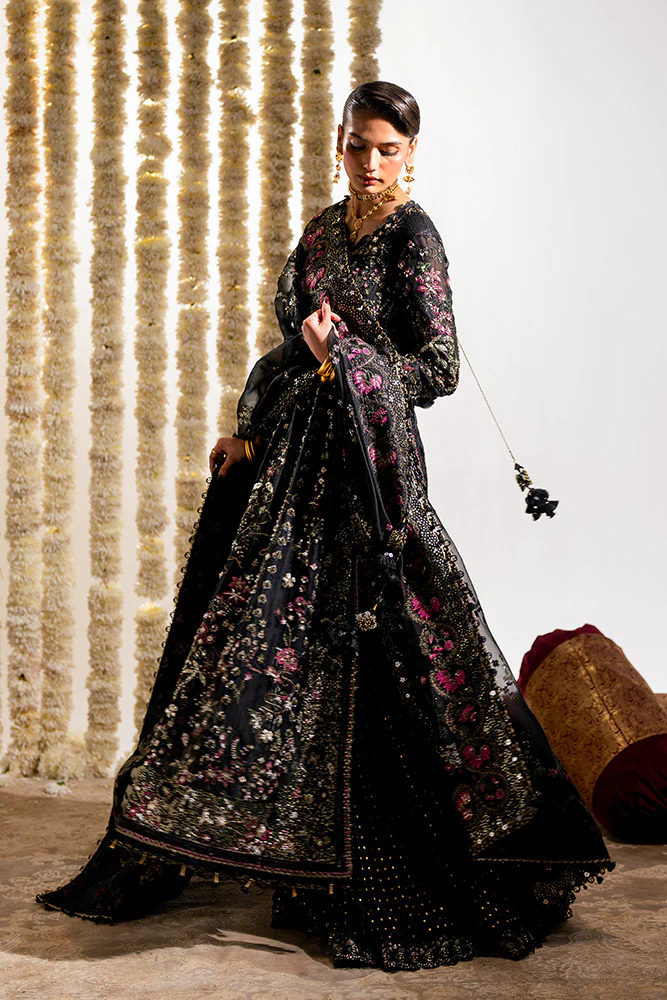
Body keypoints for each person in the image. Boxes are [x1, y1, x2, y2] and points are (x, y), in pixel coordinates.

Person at [36, 81, 613, 971]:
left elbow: (436, 369)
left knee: (387, 634)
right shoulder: (319, 230)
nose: (369, 163)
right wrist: (251, 431)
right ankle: (294, 849)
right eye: (356, 146)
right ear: (338, 145)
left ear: (412, 153)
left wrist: (340, 354)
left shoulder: (413, 237)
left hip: (370, 467)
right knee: (271, 637)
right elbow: (288, 346)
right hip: (298, 459)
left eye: (387, 149)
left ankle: (389, 855)